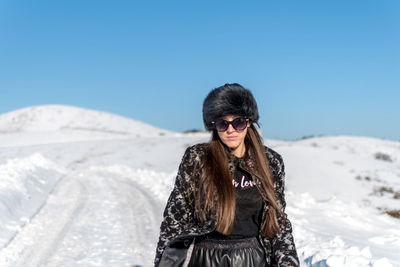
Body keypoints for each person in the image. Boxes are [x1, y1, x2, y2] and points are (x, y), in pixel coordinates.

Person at [154, 83, 299, 267]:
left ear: (249, 122)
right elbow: (174, 219)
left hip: (253, 259)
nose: (230, 130)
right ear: (214, 126)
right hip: (204, 258)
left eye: (237, 122)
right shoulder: (197, 159)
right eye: (223, 123)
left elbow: (278, 222)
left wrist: (288, 261)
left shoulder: (271, 162)